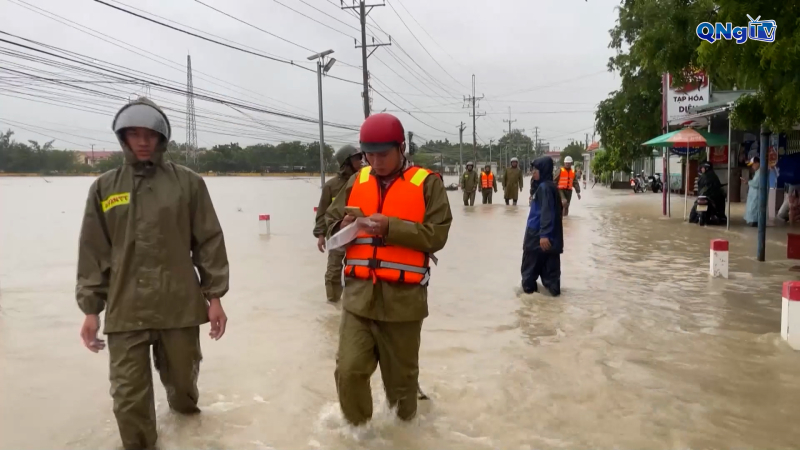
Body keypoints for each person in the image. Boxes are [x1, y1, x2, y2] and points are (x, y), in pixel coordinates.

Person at [76, 98, 229, 450]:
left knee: (184, 391)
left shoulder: (188, 184)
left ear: (162, 138)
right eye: (134, 134)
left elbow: (208, 242)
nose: (142, 141)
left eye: (150, 134)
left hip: (179, 306)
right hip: (125, 309)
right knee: (128, 399)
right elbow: (92, 251)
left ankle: (190, 435)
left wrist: (215, 298)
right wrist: (89, 310)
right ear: (123, 138)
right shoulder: (104, 188)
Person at [325, 113, 452, 426]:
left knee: (401, 388)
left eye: (383, 154)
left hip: (403, 304)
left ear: (402, 147)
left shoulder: (428, 183)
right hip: (357, 299)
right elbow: (328, 225)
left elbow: (437, 235)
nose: (375, 161)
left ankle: (403, 438)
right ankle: (359, 437)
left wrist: (391, 227)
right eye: (369, 154)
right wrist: (342, 226)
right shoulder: (356, 181)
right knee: (349, 371)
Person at [314, 144, 364, 303]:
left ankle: (353, 303)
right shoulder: (331, 185)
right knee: (334, 270)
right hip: (337, 233)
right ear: (346, 161)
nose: (361, 161)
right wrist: (321, 235)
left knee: (357, 271)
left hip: (359, 234)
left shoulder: (364, 181)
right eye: (357, 158)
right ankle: (333, 302)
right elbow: (322, 212)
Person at [521, 156, 563, 296]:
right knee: (551, 281)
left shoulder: (544, 188)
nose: (533, 172)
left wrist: (544, 235)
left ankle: (529, 309)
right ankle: (551, 311)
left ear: (543, 171)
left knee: (528, 278)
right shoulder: (548, 186)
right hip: (550, 239)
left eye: (536, 170)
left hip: (537, 238)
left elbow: (547, 212)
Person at [743, 156, 761, 226]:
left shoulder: (760, 172)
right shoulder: (757, 172)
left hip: (757, 195)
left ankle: (754, 222)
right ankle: (752, 221)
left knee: (754, 208)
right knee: (752, 208)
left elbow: (756, 183)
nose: (752, 167)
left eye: (753, 164)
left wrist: (748, 182)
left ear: (757, 163)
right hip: (754, 195)